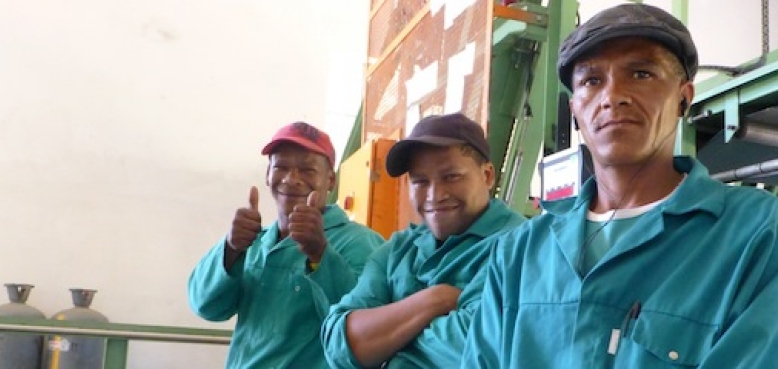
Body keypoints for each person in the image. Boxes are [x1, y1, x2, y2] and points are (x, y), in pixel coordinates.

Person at [462, 4, 778, 368]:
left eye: (641, 73)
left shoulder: (753, 233)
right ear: (575, 109)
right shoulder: (519, 254)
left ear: (683, 98)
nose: (613, 96)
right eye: (592, 81)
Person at [320, 113, 527, 368]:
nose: (435, 195)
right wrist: (435, 300)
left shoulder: (521, 244)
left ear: (487, 176)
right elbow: (338, 343)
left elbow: (480, 347)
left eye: (451, 176)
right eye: (420, 181)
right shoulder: (398, 250)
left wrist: (382, 342)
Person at [188, 122, 385, 369]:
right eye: (280, 167)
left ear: (331, 180)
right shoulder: (253, 242)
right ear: (268, 175)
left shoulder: (361, 243)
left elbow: (368, 330)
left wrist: (320, 255)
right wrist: (230, 249)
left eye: (307, 169)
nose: (292, 179)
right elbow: (205, 306)